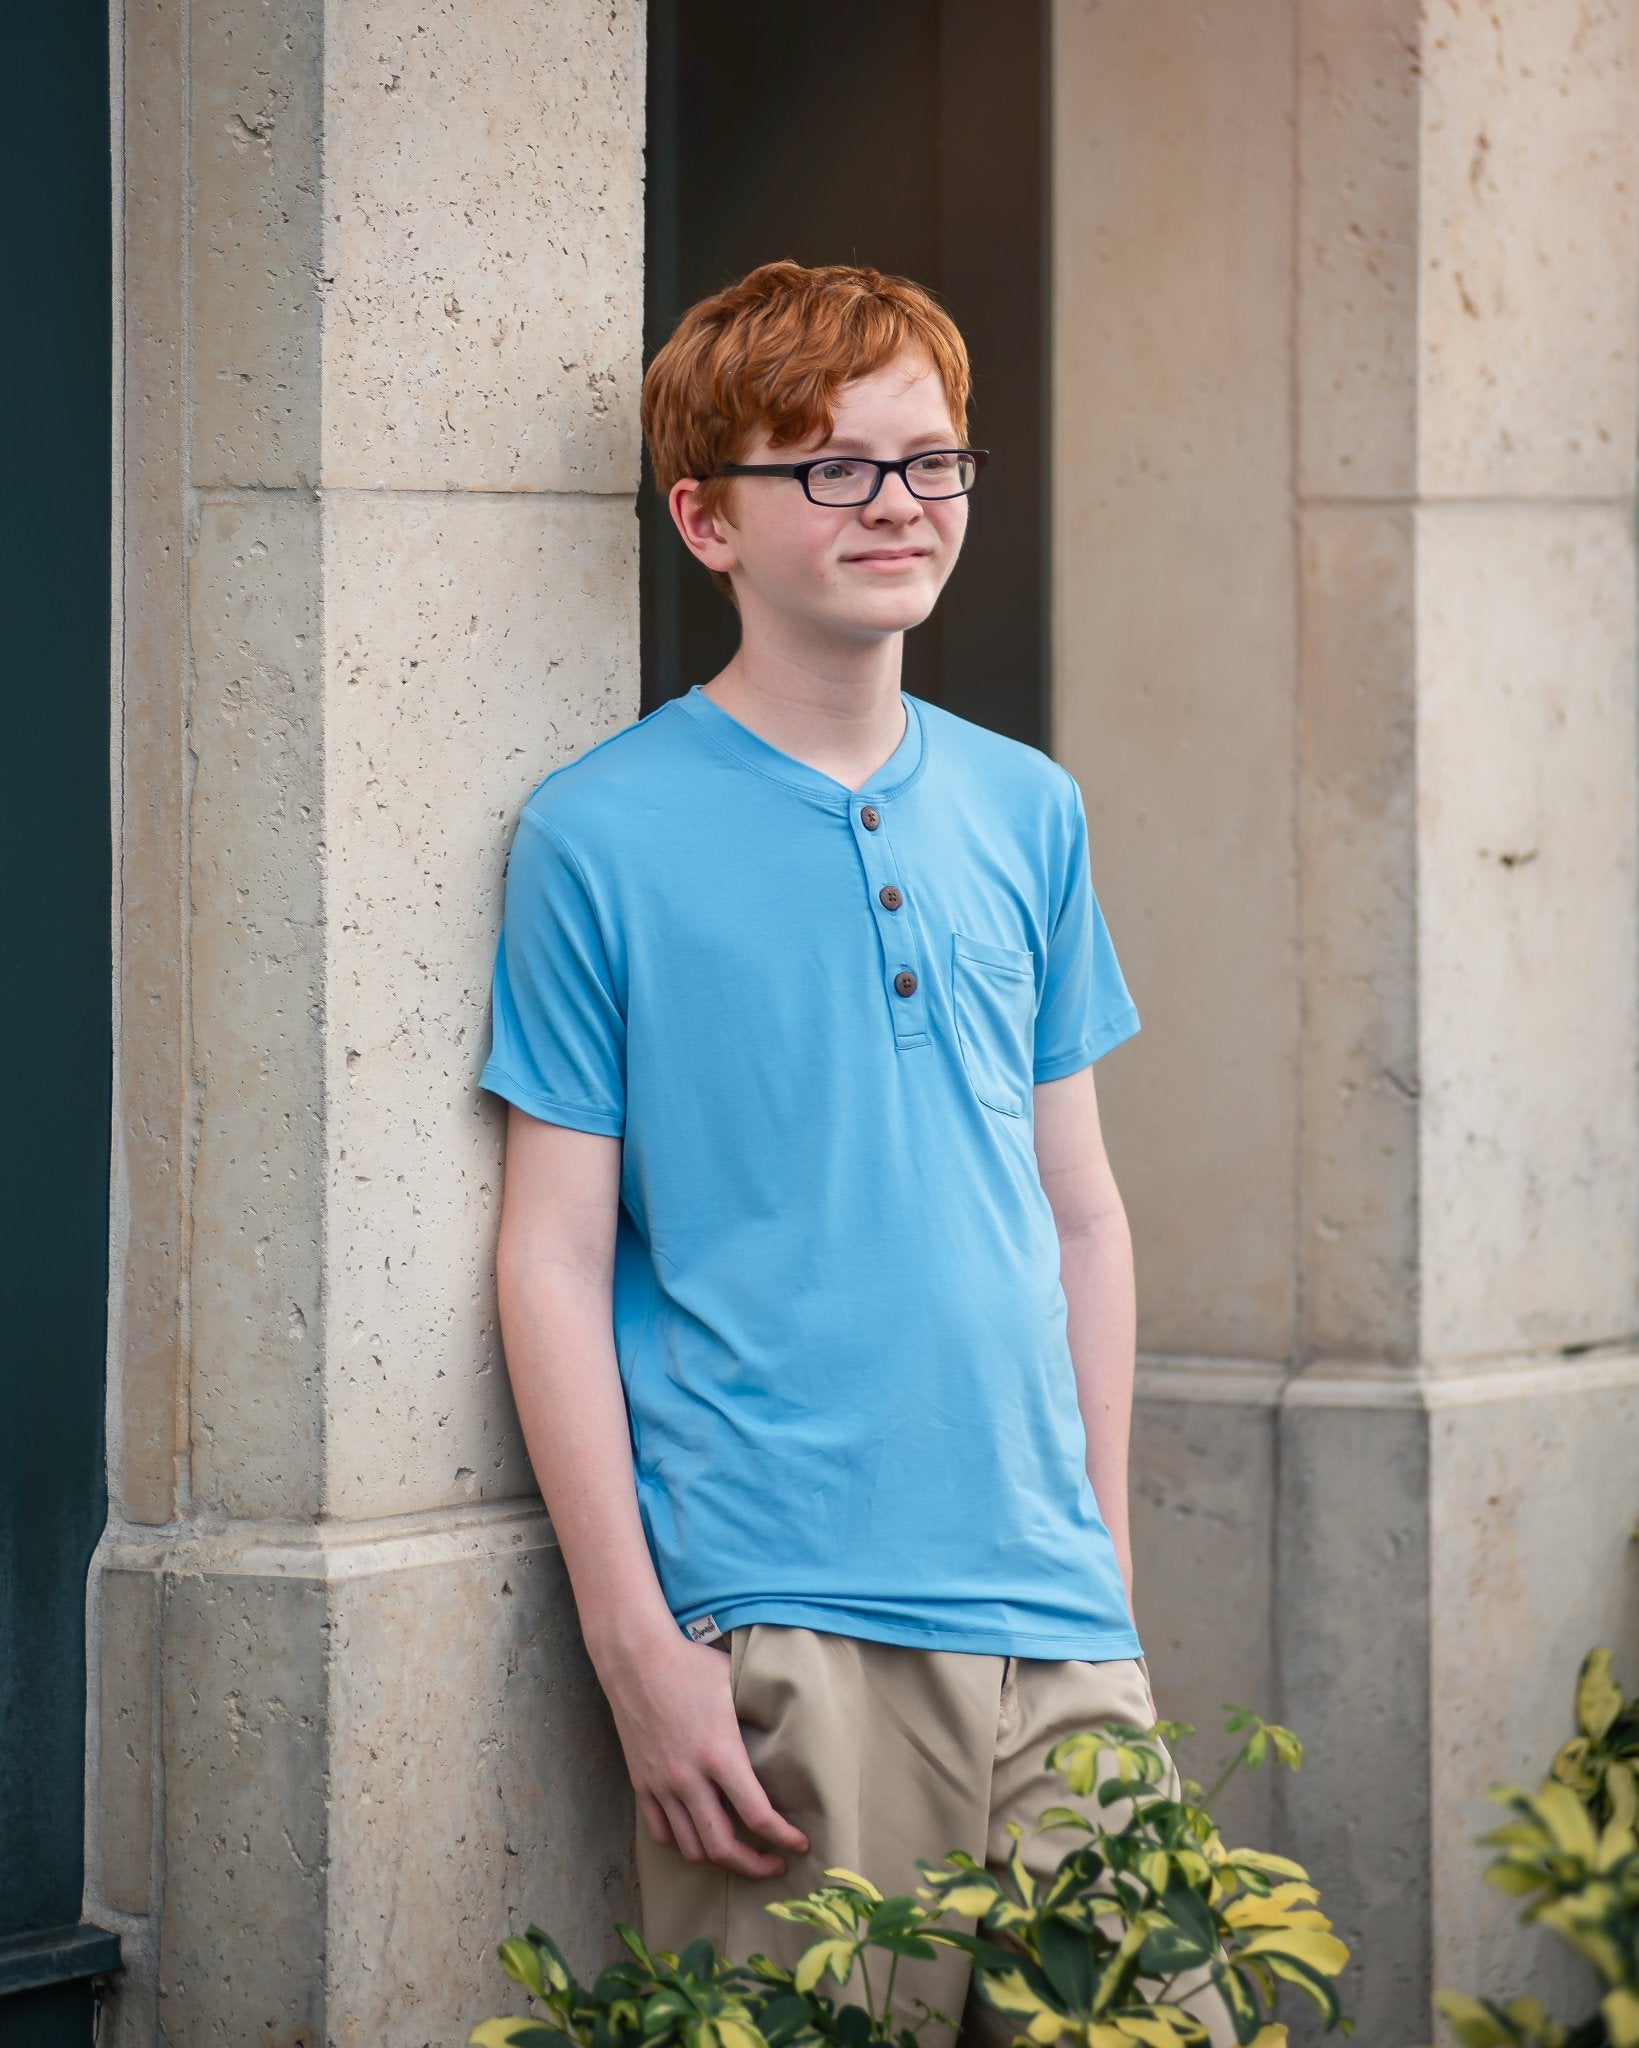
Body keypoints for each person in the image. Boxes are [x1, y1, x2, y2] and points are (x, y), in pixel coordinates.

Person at [479, 260, 1223, 2048]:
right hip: (790, 1616)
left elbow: (1084, 1215)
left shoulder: (1026, 806)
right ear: (703, 521)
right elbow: (555, 1255)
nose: (895, 502)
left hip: (1059, 1625)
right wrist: (638, 1649)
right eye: (827, 465)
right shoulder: (597, 837)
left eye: (931, 461)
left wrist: (1101, 1572)